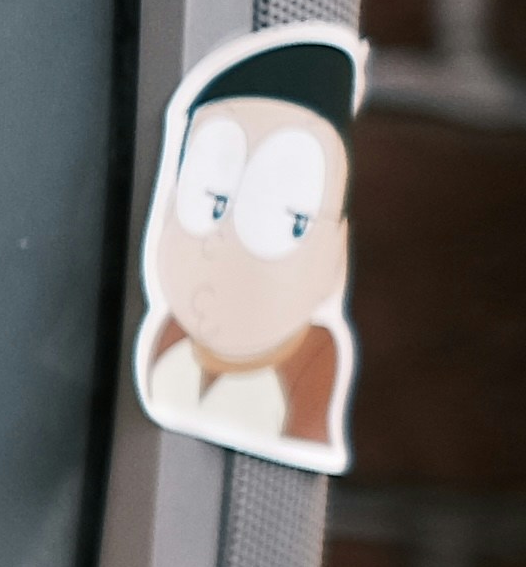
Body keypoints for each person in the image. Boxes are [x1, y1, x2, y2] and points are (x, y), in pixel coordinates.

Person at [135, 32, 363, 469]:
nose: (224, 241)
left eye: (288, 220)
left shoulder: (312, 361)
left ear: (336, 255)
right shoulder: (169, 332)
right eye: (211, 202)